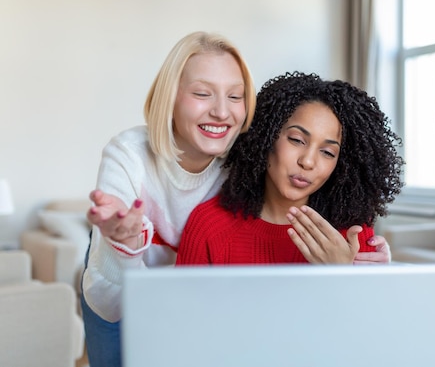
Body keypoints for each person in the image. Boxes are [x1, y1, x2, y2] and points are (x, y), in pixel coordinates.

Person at [82, 34, 392, 367]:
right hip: (121, 272)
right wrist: (122, 244)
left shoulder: (239, 149)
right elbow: (184, 335)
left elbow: (373, 339)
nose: (220, 112)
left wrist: (363, 275)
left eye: (235, 97)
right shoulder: (132, 155)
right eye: (202, 93)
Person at [176, 71, 404, 265]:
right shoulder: (209, 225)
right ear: (266, 138)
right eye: (296, 140)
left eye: (327, 152)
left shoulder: (350, 234)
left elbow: (370, 316)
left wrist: (342, 273)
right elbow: (181, 313)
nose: (308, 161)